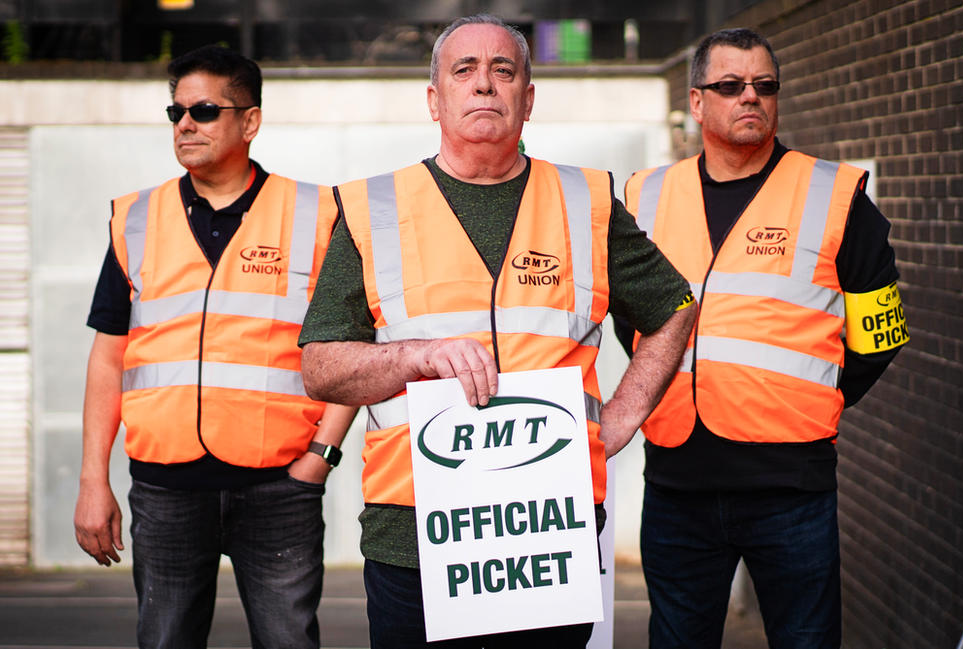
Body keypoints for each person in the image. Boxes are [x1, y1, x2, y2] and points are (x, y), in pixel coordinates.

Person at [298, 13, 697, 649]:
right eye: (465, 70)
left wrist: (623, 415)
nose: (485, 84)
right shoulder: (373, 209)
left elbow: (675, 305)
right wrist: (418, 356)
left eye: (503, 70)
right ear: (435, 100)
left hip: (546, 535)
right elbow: (320, 368)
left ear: (528, 98)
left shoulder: (585, 203)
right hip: (413, 539)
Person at [616, 28, 909, 649]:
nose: (750, 97)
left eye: (764, 85)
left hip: (791, 492)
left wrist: (811, 393)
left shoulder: (836, 195)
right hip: (677, 486)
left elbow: (881, 333)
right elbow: (630, 316)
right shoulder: (645, 197)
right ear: (697, 102)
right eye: (730, 86)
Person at [73, 45, 358, 649]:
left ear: (250, 121)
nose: (185, 124)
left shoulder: (320, 215)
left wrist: (320, 460)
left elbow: (353, 345)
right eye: (175, 111)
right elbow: (109, 357)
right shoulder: (136, 219)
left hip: (281, 487)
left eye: (204, 110)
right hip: (164, 490)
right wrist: (92, 481)